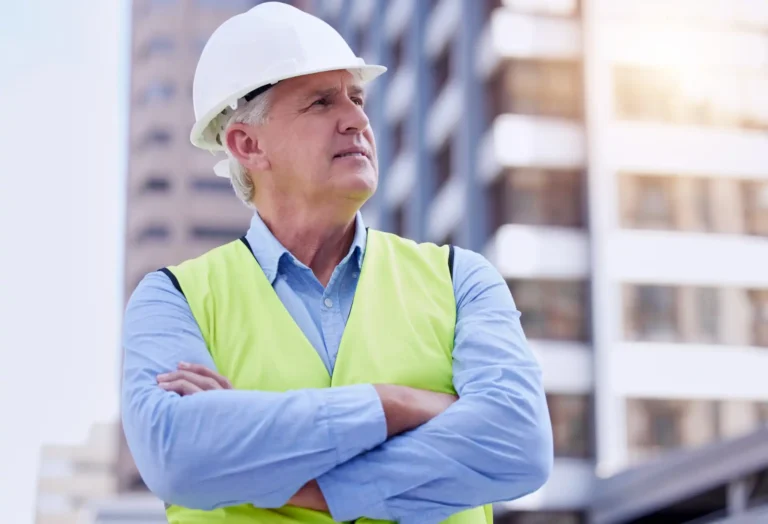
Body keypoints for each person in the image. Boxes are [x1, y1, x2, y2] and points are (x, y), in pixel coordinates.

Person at [121, 3, 553, 524]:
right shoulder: (174, 298)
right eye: (321, 103)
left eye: (356, 97)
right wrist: (398, 405)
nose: (358, 120)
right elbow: (176, 455)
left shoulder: (462, 279)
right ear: (248, 143)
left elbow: (519, 444)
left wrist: (277, 473)